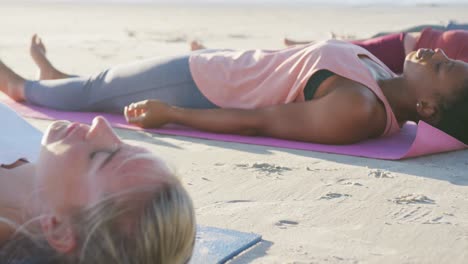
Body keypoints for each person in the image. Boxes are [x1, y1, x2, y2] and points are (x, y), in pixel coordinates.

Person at [1, 34, 468, 147]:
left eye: (445, 67)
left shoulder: (360, 108)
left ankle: (21, 83)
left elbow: (258, 121)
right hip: (223, 62)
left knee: (92, 89)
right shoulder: (381, 74)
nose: (437, 53)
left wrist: (173, 113)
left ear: (427, 105)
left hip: (202, 83)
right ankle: (59, 75)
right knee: (101, 84)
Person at [0, 101, 196, 263]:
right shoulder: (53, 157)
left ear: (59, 230)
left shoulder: (56, 154)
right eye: (121, 143)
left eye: (98, 156)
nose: (101, 124)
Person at [281, 22, 468, 74]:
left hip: (400, 52)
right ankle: (300, 47)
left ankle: (296, 50)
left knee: (339, 49)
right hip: (408, 43)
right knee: (343, 46)